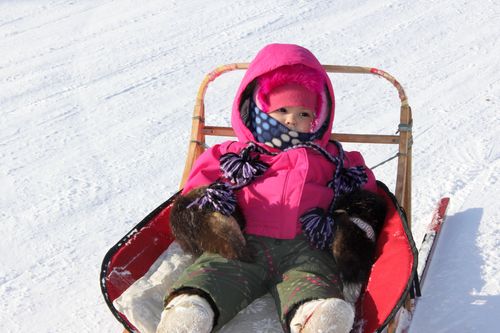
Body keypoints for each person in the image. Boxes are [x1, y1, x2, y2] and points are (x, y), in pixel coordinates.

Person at [156, 43, 378, 333]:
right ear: (257, 109)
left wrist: (354, 224)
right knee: (212, 273)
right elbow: (197, 190)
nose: (291, 120)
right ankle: (190, 312)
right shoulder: (233, 156)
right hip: (240, 245)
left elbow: (364, 192)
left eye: (303, 114)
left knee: (314, 279)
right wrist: (209, 217)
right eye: (282, 110)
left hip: (307, 247)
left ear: (319, 117)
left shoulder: (331, 157)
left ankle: (316, 317)